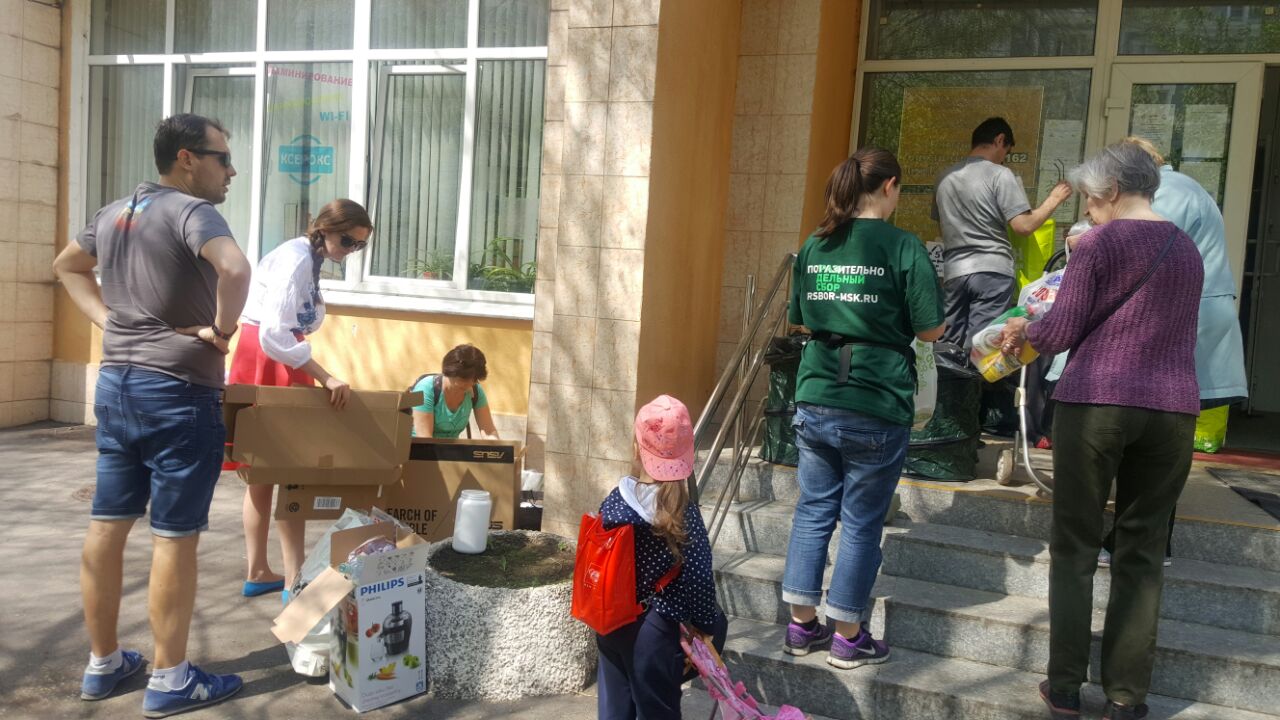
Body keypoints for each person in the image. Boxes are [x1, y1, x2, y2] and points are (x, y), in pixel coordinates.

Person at [54, 113, 252, 717]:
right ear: (187, 159)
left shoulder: (116, 212)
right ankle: (170, 679)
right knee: (174, 535)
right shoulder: (193, 212)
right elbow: (236, 268)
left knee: (107, 524)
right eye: (222, 158)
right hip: (178, 394)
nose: (232, 171)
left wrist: (111, 323)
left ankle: (103, 663)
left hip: (116, 387)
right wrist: (223, 332)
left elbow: (67, 265)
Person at [999, 142, 1203, 720]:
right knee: (1142, 552)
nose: (1087, 211)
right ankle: (1125, 697)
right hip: (1172, 409)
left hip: (1096, 402)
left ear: (1111, 191)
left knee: (1076, 545)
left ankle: (1065, 685)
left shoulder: (1098, 244)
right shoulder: (1186, 249)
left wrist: (1024, 327)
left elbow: (1061, 330)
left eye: (1089, 199)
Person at [782, 149, 946, 669]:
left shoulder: (816, 243)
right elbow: (931, 330)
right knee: (860, 522)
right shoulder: (903, 246)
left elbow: (799, 316)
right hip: (876, 397)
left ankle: (800, 626)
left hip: (816, 392)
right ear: (890, 186)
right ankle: (847, 636)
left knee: (812, 511)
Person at [1096, 136, 1250, 568]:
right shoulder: (1178, 189)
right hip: (1181, 324)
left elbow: (1139, 247)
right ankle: (1144, 539)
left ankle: (1145, 540)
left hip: (1181, 326)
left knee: (1157, 443)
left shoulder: (1170, 191)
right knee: (1159, 439)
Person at [231, 199, 373, 599]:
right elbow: (274, 334)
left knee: (264, 472)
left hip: (269, 356)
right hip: (272, 357)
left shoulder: (307, 257)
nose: (350, 251)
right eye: (347, 241)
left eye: (359, 245)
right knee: (289, 472)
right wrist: (325, 376)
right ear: (324, 229)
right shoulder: (297, 260)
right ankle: (292, 580)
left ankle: (260, 571)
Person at [595, 395, 725, 720]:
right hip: (653, 629)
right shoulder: (683, 512)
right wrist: (706, 625)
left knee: (614, 711)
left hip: (610, 622)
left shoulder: (614, 501)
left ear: (636, 448)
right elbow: (698, 575)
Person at [932, 117, 1073, 351]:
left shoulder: (944, 178)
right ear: (1000, 140)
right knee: (981, 348)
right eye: (1006, 152)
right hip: (992, 272)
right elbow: (1023, 226)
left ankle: (947, 376)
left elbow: (943, 226)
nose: (1004, 158)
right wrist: (1054, 199)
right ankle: (973, 376)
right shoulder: (1000, 174)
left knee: (947, 347)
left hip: (954, 271)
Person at [410, 344, 500, 439]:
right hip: (417, 447)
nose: (469, 384)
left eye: (474, 380)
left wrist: (495, 443)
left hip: (450, 447)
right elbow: (425, 438)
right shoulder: (426, 388)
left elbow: (489, 431)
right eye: (464, 379)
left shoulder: (476, 390)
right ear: (450, 372)